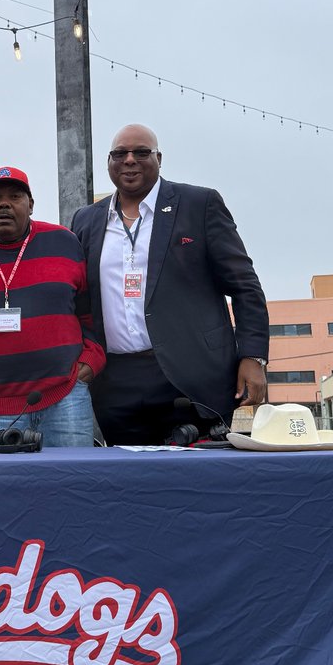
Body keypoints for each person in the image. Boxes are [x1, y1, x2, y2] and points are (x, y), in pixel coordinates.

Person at [70, 123, 269, 445]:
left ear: (159, 158)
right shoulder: (86, 219)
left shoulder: (199, 204)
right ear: (109, 162)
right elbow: (69, 284)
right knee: (130, 483)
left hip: (190, 376)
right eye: (120, 154)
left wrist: (253, 356)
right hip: (115, 381)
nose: (130, 160)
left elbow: (245, 285)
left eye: (141, 152)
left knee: (198, 483)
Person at [0, 166, 105, 447]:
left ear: (30, 205)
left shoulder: (64, 242)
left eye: (15, 196)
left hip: (65, 399)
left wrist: (91, 360)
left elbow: (89, 313)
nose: (4, 204)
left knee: (73, 487)